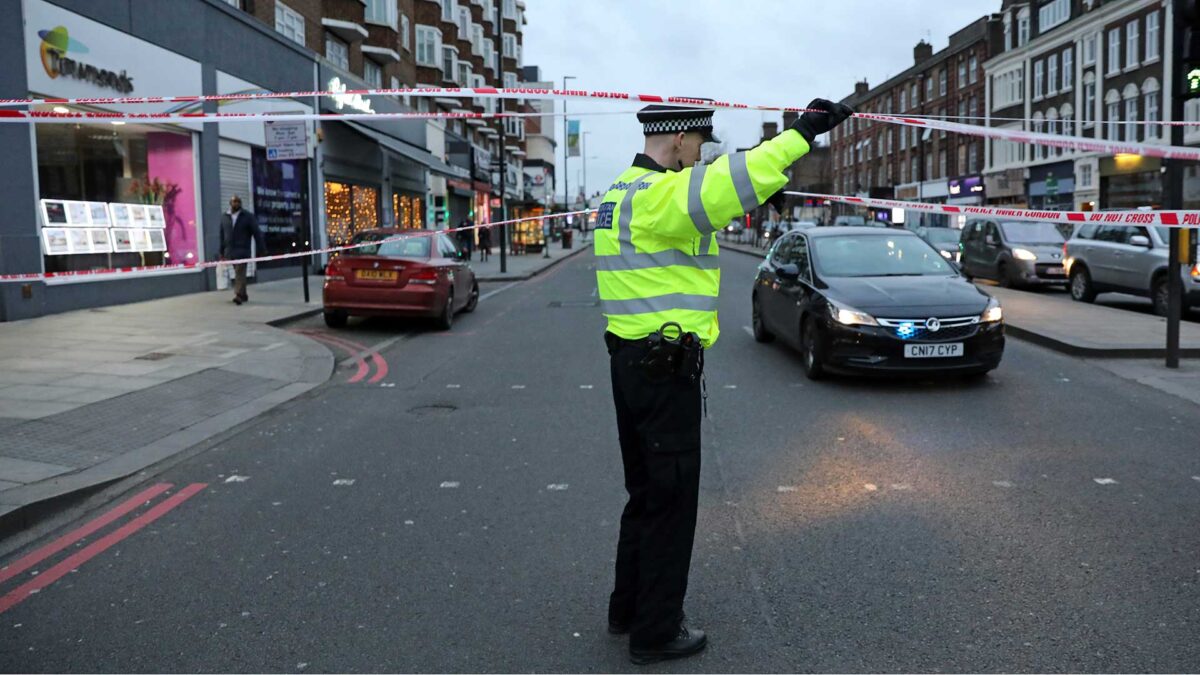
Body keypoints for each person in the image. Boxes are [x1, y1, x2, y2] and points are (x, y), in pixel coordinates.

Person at [594, 98, 852, 665]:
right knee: (672, 499)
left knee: (644, 493)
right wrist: (804, 131)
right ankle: (656, 630)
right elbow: (741, 177)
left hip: (630, 362)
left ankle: (627, 607)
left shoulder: (618, 192)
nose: (702, 156)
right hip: (663, 371)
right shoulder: (662, 195)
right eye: (700, 146)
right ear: (680, 140)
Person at [219, 195, 266, 305]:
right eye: (234, 202)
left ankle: (238, 295)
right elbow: (222, 235)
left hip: (242, 250)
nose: (236, 204)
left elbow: (256, 233)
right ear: (230, 203)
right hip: (230, 251)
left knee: (239, 272)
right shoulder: (225, 217)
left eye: (238, 202)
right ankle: (243, 294)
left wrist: (262, 248)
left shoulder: (247, 217)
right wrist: (221, 251)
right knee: (238, 272)